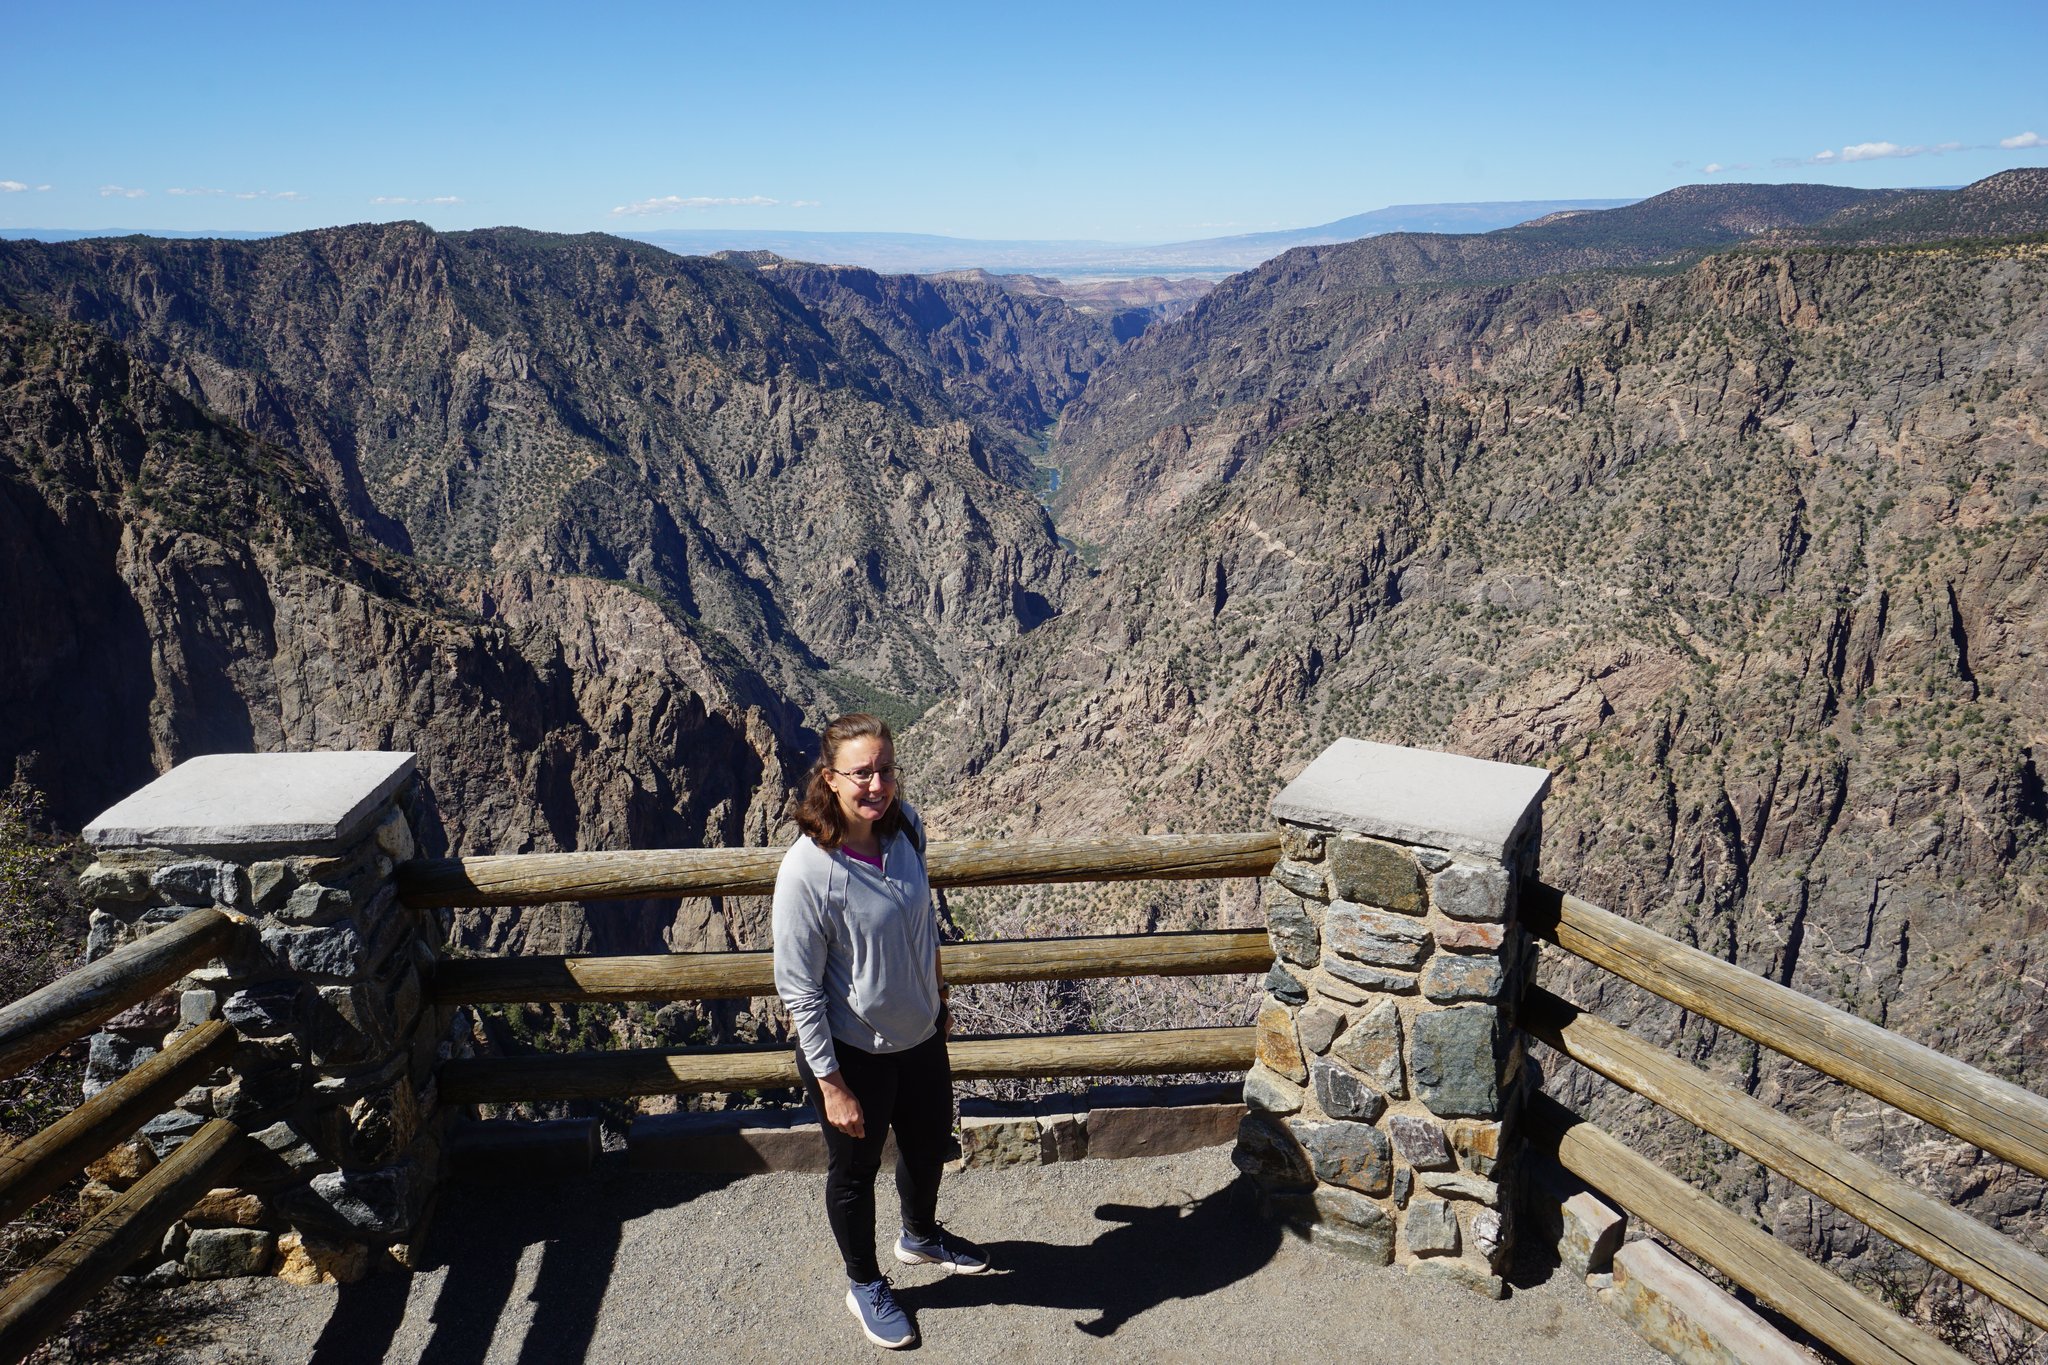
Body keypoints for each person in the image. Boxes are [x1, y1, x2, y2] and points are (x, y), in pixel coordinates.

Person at [771, 713, 989, 1350]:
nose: (876, 784)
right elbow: (799, 989)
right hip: (853, 1053)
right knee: (855, 1171)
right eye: (860, 772)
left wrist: (939, 996)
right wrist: (831, 1084)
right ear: (831, 779)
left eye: (885, 770)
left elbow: (922, 927)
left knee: (926, 1150)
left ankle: (919, 1236)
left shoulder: (907, 830)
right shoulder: (808, 871)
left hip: (920, 1035)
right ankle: (864, 1282)